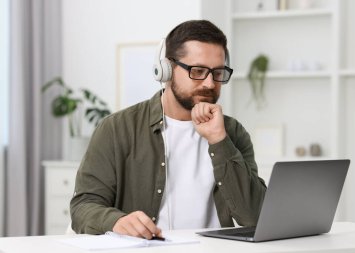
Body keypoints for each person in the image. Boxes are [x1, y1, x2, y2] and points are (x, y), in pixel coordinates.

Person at [70, 20, 267, 239]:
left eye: (218, 72)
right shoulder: (117, 129)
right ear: (166, 69)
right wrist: (116, 222)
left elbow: (255, 216)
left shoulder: (233, 132)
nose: (210, 83)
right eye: (198, 70)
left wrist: (219, 140)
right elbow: (83, 207)